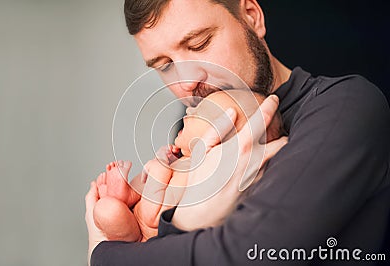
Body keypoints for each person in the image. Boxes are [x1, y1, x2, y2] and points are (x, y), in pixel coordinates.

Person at [86, 0, 390, 265]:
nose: (186, 83)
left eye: (198, 44)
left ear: (251, 15)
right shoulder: (193, 124)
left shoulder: (346, 106)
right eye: (165, 66)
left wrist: (102, 253)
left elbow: (243, 255)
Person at [93, 90, 285, 242]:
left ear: (222, 140)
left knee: (107, 210)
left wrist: (161, 167)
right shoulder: (182, 159)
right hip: (141, 208)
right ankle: (126, 194)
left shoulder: (201, 175)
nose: (189, 110)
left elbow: (154, 217)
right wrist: (163, 161)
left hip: (144, 231)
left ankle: (122, 211)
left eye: (202, 112)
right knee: (120, 199)